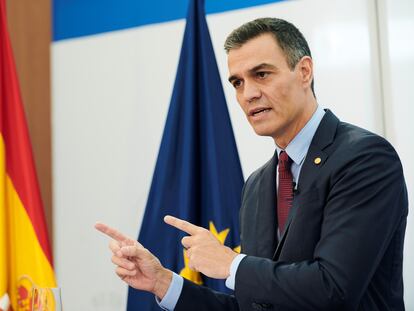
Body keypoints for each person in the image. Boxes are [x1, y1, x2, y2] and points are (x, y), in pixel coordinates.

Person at [95, 18, 408, 310]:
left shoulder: (365, 158)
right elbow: (256, 303)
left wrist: (230, 264)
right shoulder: (258, 185)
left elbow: (334, 288)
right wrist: (164, 282)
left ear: (304, 71)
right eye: (237, 82)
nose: (248, 94)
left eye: (261, 74)